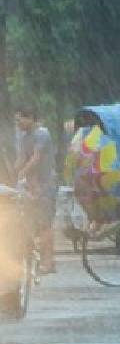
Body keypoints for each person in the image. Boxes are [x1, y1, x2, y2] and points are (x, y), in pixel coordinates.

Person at [13, 106, 57, 274]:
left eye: (20, 120)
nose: (18, 124)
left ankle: (48, 262)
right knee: (31, 223)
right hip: (32, 186)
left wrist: (22, 172)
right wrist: (13, 173)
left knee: (45, 224)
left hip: (46, 185)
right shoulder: (24, 137)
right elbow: (21, 158)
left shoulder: (42, 133)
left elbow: (36, 158)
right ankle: (35, 259)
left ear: (30, 117)